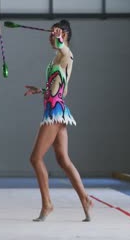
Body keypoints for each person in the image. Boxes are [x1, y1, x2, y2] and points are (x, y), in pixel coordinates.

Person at [24, 20, 92, 222]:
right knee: (63, 160)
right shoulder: (56, 60)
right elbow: (61, 89)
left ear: (64, 36)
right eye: (51, 34)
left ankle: (47, 204)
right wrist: (41, 90)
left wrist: (60, 39)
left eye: (55, 34)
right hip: (56, 110)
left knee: (35, 159)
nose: (50, 37)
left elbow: (64, 51)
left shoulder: (66, 55)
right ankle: (85, 199)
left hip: (54, 113)